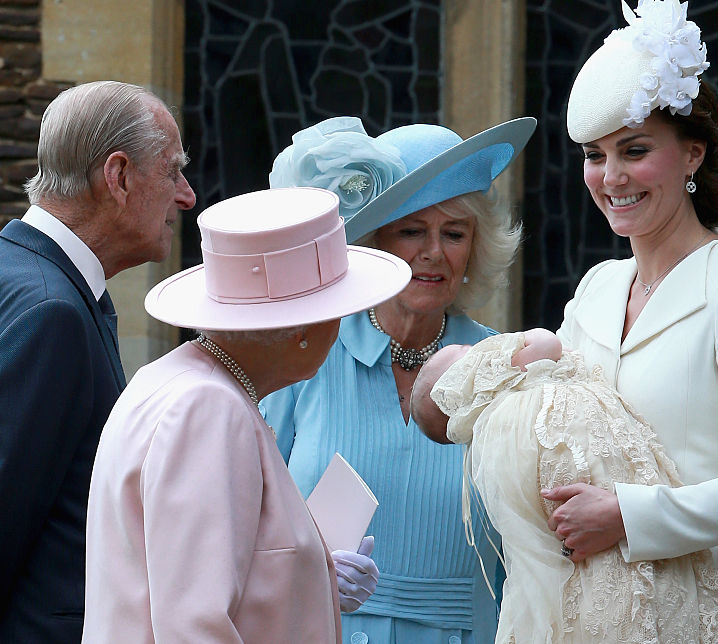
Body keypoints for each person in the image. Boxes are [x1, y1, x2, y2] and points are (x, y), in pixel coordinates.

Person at [548, 0, 718, 644]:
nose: (611, 177)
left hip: (688, 619)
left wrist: (629, 516)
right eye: (595, 156)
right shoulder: (594, 290)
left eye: (635, 150)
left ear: (693, 153)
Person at [82, 187, 411, 642]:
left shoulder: (179, 381)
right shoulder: (208, 408)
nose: (340, 327)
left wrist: (313, 578)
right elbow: (195, 626)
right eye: (338, 309)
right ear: (302, 328)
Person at [262, 115, 536, 644]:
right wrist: (302, 567)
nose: (433, 251)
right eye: (412, 231)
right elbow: (245, 513)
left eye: (453, 233)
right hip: (319, 627)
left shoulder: (502, 369)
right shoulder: (304, 356)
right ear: (373, 243)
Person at [0, 80, 196, 642]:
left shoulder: (25, 275)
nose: (186, 196)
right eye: (172, 171)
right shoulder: (52, 313)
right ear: (119, 177)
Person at [410, 330, 718, 644]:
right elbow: (547, 342)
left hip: (628, 545)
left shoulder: (498, 437)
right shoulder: (513, 398)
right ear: (465, 384)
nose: (480, 347)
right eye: (464, 352)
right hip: (636, 546)